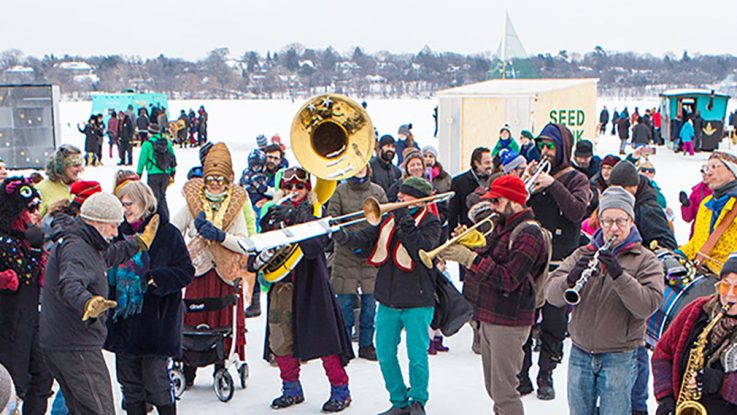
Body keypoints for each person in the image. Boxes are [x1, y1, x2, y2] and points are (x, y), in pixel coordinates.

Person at [546, 186, 664, 415]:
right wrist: (570, 278)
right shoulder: (584, 253)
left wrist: (619, 275)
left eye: (620, 221)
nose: (613, 228)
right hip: (580, 352)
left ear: (631, 221)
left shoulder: (646, 260)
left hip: (619, 356)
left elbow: (647, 305)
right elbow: (551, 295)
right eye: (607, 221)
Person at [441, 175, 550, 415]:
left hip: (510, 320)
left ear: (515, 201)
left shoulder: (529, 233)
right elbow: (489, 260)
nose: (492, 206)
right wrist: (468, 243)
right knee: (494, 389)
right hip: (490, 315)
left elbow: (508, 279)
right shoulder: (501, 226)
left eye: (497, 201)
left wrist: (469, 258)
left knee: (505, 393)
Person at [333, 176, 441, 415]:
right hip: (388, 298)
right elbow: (364, 238)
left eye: (406, 196)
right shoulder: (388, 219)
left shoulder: (432, 223)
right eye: (400, 194)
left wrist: (403, 218)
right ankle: (399, 400)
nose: (399, 198)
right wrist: (343, 236)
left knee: (417, 355)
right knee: (384, 352)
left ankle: (418, 401)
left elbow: (420, 247)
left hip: (418, 300)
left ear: (420, 200)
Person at [250, 166, 354, 412]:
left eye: (299, 187)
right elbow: (261, 244)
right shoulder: (273, 213)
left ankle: (341, 390)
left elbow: (319, 244)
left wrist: (299, 221)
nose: (294, 191)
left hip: (312, 285)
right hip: (282, 284)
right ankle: (291, 389)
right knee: (281, 339)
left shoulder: (317, 212)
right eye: (289, 187)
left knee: (324, 340)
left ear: (308, 189)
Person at [40, 192, 152, 415]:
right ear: (96, 222)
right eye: (112, 226)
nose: (114, 232)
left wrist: (137, 244)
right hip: (75, 344)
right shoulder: (77, 248)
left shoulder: (84, 242)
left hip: (65, 342)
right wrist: (88, 302)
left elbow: (104, 258)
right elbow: (70, 284)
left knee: (81, 410)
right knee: (99, 410)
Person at [105, 181, 193, 415]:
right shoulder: (117, 233)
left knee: (156, 383)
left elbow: (186, 271)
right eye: (121, 204)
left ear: (145, 202)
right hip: (124, 321)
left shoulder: (166, 233)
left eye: (129, 203)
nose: (125, 209)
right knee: (130, 386)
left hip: (156, 322)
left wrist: (158, 278)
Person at [521, 123, 593, 400]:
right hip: (532, 258)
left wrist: (552, 185)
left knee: (554, 322)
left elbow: (576, 211)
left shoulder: (577, 179)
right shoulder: (536, 172)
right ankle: (523, 373)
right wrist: (523, 183)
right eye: (542, 146)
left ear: (563, 147)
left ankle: (545, 374)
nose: (544, 151)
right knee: (524, 320)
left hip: (561, 260)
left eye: (550, 146)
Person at [171, 143, 252, 387]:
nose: (215, 183)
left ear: (228, 180)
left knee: (223, 320)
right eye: (210, 179)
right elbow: (174, 230)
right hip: (198, 274)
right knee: (193, 318)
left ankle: (222, 364)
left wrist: (220, 237)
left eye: (220, 179)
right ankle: (189, 367)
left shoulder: (235, 208)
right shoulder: (192, 205)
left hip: (225, 275)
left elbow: (244, 242)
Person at [652, 254, 737, 415]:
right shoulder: (698, 309)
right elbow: (663, 352)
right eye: (725, 287)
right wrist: (666, 398)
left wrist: (720, 383)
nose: (730, 295)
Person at [0, 177, 53, 415]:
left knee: (43, 376)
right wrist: (32, 251)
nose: (35, 214)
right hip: (9, 325)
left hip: (30, 320)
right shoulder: (6, 240)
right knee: (15, 383)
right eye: (30, 208)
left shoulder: (26, 237)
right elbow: (24, 276)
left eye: (37, 207)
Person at [328, 166, 386, 361]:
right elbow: (333, 220)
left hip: (370, 255)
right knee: (344, 305)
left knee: (370, 305)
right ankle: (344, 345)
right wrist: (347, 238)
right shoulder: (340, 191)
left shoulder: (377, 191)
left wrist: (370, 244)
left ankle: (367, 344)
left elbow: (385, 219)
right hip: (346, 255)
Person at [679, 151, 737, 274]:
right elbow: (697, 243)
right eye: (707, 168)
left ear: (732, 172)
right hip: (705, 276)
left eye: (715, 167)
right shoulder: (707, 203)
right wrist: (677, 254)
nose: (709, 173)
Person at [136, 123, 176, 219]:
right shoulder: (167, 143)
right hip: (165, 173)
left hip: (153, 173)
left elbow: (142, 159)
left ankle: (156, 218)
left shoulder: (147, 144)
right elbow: (172, 158)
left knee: (154, 197)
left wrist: (139, 172)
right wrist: (172, 171)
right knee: (162, 196)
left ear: (149, 133)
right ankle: (166, 217)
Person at [36, 144, 84, 218]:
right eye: (75, 165)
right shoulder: (41, 190)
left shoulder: (83, 187)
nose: (80, 170)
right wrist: (49, 212)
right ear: (60, 166)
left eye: (81, 165)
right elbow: (34, 223)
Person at [680, 165, 713, 238]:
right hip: (698, 234)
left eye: (707, 173)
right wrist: (686, 205)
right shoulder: (696, 191)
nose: (704, 176)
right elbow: (687, 219)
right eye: (702, 172)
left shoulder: (726, 191)